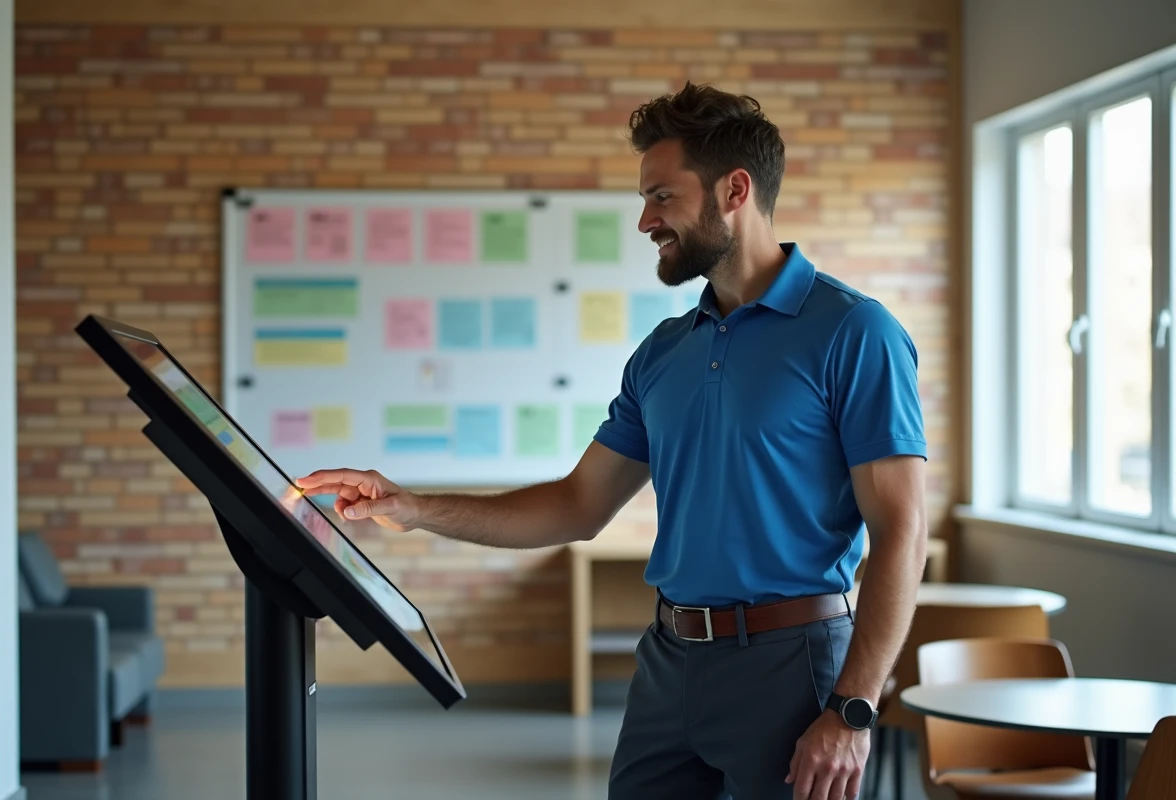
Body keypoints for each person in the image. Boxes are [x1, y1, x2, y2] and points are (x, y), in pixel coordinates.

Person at [296, 81, 929, 800]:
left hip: (794, 665)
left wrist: (852, 707)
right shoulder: (664, 352)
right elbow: (576, 505)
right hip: (670, 663)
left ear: (734, 190)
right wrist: (411, 506)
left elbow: (901, 529)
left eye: (661, 196)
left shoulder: (853, 331)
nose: (644, 222)